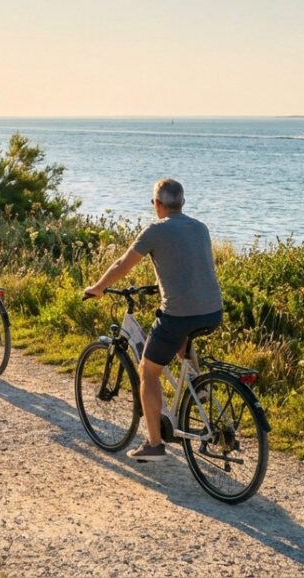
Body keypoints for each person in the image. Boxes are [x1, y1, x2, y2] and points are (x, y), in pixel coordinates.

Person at [82, 178, 223, 461]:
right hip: (212, 311)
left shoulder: (155, 230)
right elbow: (187, 265)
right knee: (182, 336)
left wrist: (98, 288)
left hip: (179, 315)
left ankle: (155, 444)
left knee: (148, 370)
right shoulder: (200, 227)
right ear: (181, 203)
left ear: (157, 204)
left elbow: (122, 264)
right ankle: (200, 388)